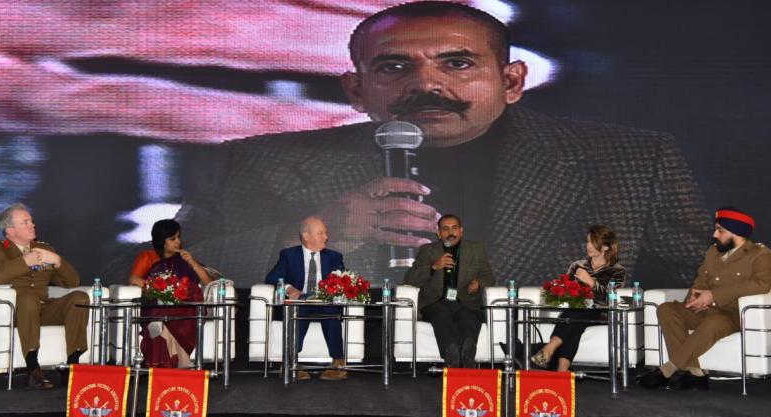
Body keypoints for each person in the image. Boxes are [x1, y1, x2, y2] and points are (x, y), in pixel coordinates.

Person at [178, 1, 710, 288]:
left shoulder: (636, 162)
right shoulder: (262, 161)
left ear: (511, 81)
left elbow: (709, 284)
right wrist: (316, 238)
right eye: (394, 67)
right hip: (344, 390)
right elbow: (144, 275)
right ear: (356, 89)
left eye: (457, 63)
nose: (427, 86)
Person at [638, 207, 771, 391]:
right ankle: (695, 373)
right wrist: (693, 297)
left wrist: (714, 296)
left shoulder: (760, 255)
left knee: (714, 322)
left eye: (720, 230)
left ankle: (668, 369)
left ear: (736, 233)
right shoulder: (713, 252)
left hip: (731, 315)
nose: (715, 234)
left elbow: (762, 284)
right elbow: (700, 281)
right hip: (704, 309)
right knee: (666, 309)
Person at [0, 203, 89, 390]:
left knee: (79, 298)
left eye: (32, 221)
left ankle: (72, 365)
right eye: (25, 222)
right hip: (15, 312)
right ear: (10, 230)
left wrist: (57, 261)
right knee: (28, 300)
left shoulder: (44, 248)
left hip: (43, 309)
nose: (32, 225)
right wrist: (24, 262)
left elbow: (72, 282)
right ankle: (32, 368)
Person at [529, 225, 626, 371]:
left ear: (605, 247)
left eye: (592, 242)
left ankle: (549, 349)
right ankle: (563, 371)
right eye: (587, 242)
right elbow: (565, 291)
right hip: (576, 311)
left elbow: (609, 299)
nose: (588, 246)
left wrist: (591, 282)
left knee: (576, 315)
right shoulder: (577, 266)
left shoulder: (617, 271)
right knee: (575, 320)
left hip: (600, 313)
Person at [404, 214, 494, 368]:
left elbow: (489, 277)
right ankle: (451, 353)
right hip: (436, 302)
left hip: (466, 301)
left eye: (454, 228)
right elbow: (410, 279)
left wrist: (478, 284)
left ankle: (467, 355)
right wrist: (433, 267)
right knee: (440, 314)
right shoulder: (427, 250)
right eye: (445, 229)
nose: (450, 233)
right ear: (438, 233)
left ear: (461, 231)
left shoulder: (476, 249)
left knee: (470, 318)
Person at [264, 216, 348, 380]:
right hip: (300, 301)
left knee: (330, 309)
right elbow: (272, 277)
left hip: (324, 302)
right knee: (299, 308)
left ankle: (338, 363)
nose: (326, 237)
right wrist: (290, 289)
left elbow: (342, 280)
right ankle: (290, 363)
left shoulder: (334, 257)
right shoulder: (288, 255)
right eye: (321, 233)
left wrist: (333, 291)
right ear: (306, 236)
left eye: (326, 233)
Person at [130, 219, 213, 368]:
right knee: (163, 304)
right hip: (162, 303)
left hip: (185, 305)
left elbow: (208, 282)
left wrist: (193, 263)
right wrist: (158, 287)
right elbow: (135, 280)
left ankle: (159, 325)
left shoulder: (185, 259)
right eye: (172, 239)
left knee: (186, 294)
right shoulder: (153, 261)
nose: (178, 242)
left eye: (178, 237)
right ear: (162, 242)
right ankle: (182, 361)